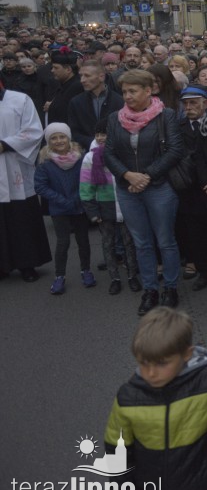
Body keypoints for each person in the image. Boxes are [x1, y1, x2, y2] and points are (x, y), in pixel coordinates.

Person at [105, 307, 207, 490]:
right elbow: (115, 451)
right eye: (143, 363)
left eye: (162, 363)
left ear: (187, 354)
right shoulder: (128, 398)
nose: (151, 373)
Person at [105, 69, 185, 316]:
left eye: (133, 91)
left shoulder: (166, 115)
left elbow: (174, 150)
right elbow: (108, 153)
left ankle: (170, 288)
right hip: (128, 188)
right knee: (142, 243)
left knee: (165, 240)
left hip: (159, 187)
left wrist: (147, 175)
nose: (127, 96)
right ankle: (150, 289)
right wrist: (128, 175)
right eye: (125, 91)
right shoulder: (114, 118)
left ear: (148, 91)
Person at [80, 117, 139, 295]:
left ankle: (132, 276)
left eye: (104, 134)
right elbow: (85, 187)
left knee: (130, 243)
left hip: (126, 203)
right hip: (104, 206)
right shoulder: (90, 157)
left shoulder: (125, 152)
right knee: (108, 244)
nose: (100, 138)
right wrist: (91, 210)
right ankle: (114, 278)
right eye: (98, 134)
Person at [34, 123, 93, 295]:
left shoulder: (81, 157)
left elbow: (86, 179)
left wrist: (76, 198)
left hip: (79, 205)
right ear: (48, 141)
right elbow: (40, 187)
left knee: (83, 240)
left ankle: (86, 270)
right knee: (63, 242)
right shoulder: (45, 161)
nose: (58, 141)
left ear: (68, 138)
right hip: (59, 209)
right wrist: (62, 200)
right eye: (53, 138)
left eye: (62, 137)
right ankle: (60, 276)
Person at [0, 85, 51, 281]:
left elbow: (33, 131)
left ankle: (27, 264)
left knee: (20, 217)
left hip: (15, 167)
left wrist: (5, 144)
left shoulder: (20, 100)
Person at [176, 85, 207, 291]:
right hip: (189, 188)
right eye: (186, 103)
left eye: (193, 103)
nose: (189, 107)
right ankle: (205, 271)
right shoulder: (177, 126)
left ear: (204, 104)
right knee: (196, 233)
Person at [67, 60, 123, 150]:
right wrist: (93, 143)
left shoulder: (119, 101)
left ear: (101, 77)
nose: (82, 80)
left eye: (87, 76)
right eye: (81, 76)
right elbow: (74, 132)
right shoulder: (76, 102)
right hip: (85, 154)